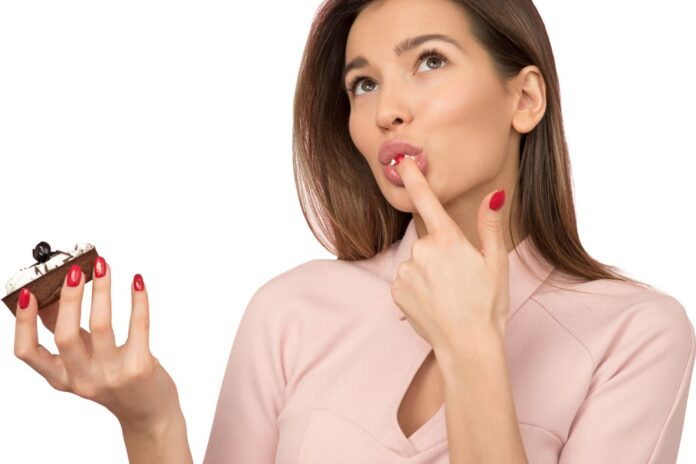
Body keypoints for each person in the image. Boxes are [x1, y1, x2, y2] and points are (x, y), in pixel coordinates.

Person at [12, 0, 695, 463]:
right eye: (363, 84)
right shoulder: (292, 310)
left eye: (429, 61)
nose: (386, 110)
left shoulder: (636, 335)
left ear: (524, 98)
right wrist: (151, 421)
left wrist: (472, 350)